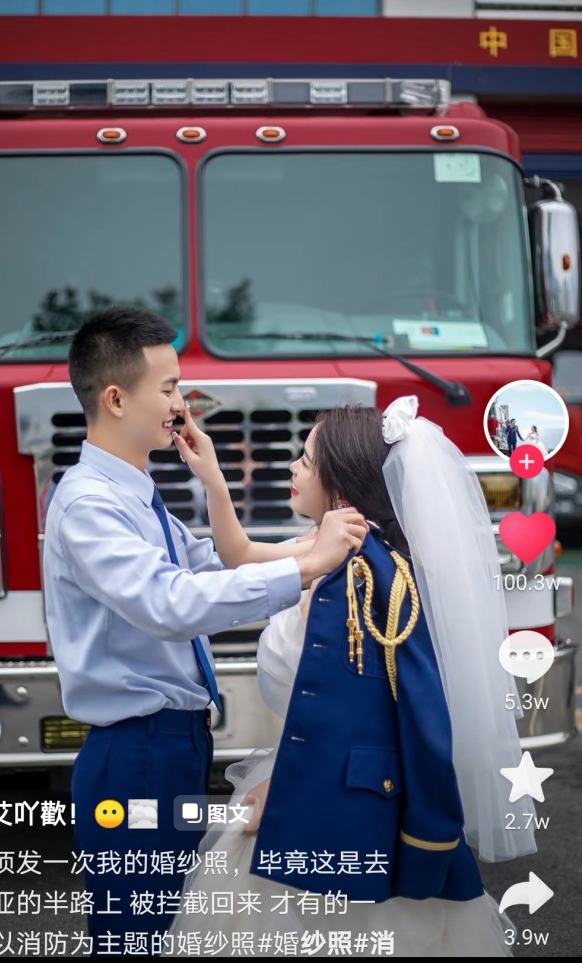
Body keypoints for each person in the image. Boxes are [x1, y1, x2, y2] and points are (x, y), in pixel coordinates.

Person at [41, 306, 368, 956]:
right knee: (135, 937)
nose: (180, 403)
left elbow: (217, 560)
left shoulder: (134, 493)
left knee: (161, 929)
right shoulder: (88, 506)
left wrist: (298, 534)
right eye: (166, 387)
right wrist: (308, 564)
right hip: (134, 755)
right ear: (115, 397)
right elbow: (169, 602)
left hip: (166, 748)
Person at [166, 396, 536, 957]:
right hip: (312, 772)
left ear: (341, 482)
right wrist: (212, 476)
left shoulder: (359, 581)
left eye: (307, 461)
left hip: (325, 792)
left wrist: (288, 783)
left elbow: (362, 714)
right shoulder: (333, 551)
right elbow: (239, 555)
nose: (293, 468)